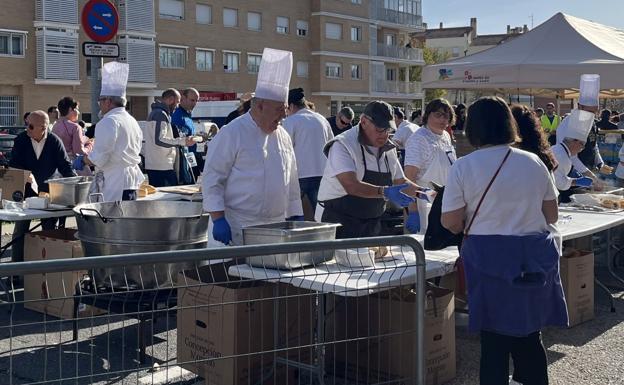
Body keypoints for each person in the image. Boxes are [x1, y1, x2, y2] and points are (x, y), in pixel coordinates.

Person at [441, 96, 568, 385]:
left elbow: (450, 222)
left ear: (473, 127)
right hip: (533, 255)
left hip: (489, 257)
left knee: (493, 340)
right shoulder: (534, 162)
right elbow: (551, 215)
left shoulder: (464, 166)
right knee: (529, 336)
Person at [202, 48, 303, 246]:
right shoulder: (232, 133)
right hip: (237, 228)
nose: (282, 117)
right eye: (278, 111)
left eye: (284, 112)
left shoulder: (282, 135)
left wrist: (295, 214)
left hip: (275, 229)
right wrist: (218, 218)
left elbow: (291, 180)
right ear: (259, 107)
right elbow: (212, 179)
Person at [316, 100, 424, 239]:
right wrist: (384, 192)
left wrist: (428, 194)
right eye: (379, 129)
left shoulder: (388, 149)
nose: (384, 135)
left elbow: (400, 181)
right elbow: (351, 186)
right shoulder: (342, 144)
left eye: (388, 130)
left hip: (370, 223)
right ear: (364, 121)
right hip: (336, 223)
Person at [9, 110, 76, 262]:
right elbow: (14, 164)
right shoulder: (21, 140)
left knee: (49, 231)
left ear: (43, 127)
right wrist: (26, 174)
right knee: (20, 230)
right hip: (26, 192)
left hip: (47, 193)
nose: (27, 129)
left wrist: (75, 185)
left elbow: (65, 166)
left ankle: (49, 269)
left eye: (31, 126)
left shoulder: (54, 141)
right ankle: (15, 270)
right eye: (27, 125)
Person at [82, 61, 144, 202]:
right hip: (131, 181)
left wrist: (84, 160)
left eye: (100, 101)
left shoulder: (108, 121)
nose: (100, 105)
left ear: (108, 101)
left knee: (114, 221)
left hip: (114, 183)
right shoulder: (131, 120)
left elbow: (101, 156)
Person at [404, 98, 456, 234]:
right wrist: (413, 210)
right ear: (427, 115)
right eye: (438, 115)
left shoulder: (445, 135)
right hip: (425, 204)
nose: (442, 119)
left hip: (446, 202)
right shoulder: (418, 139)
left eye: (446, 116)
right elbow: (408, 178)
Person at [283, 87, 334, 215]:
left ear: (291, 106)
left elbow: (284, 150)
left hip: (299, 175)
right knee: (322, 214)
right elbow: (332, 146)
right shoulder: (322, 120)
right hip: (322, 173)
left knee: (290, 212)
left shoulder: (290, 121)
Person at [556, 75, 604, 188]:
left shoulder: (591, 121)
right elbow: (569, 154)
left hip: (587, 167)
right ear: (579, 106)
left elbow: (593, 144)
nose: (592, 115)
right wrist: (588, 174)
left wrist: (599, 162)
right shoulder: (568, 123)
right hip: (570, 172)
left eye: (595, 112)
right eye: (589, 111)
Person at [144, 88, 196, 187]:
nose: (177, 106)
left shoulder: (157, 113)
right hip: (161, 166)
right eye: (177, 102)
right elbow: (159, 139)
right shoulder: (160, 114)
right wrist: (182, 141)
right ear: (170, 99)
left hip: (158, 164)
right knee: (166, 199)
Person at [551, 108, 595, 202]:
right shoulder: (562, 156)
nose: (581, 149)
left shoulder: (557, 149)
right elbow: (560, 183)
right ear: (574, 142)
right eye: (582, 145)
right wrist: (576, 181)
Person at [51, 96, 93, 175]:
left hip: (56, 168)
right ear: (70, 109)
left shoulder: (55, 126)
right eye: (77, 109)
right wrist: (89, 145)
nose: (79, 112)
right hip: (74, 167)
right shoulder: (75, 127)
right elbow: (79, 152)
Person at [510, 104, 558, 172]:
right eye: (548, 108)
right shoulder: (544, 155)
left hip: (551, 139)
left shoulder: (511, 154)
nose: (549, 110)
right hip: (544, 140)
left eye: (550, 108)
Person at [172, 87, 203, 181]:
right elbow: (176, 137)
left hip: (192, 156)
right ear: (183, 98)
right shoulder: (177, 115)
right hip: (182, 159)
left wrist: (199, 137)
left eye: (196, 101)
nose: (194, 103)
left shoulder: (188, 114)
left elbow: (188, 134)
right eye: (192, 100)